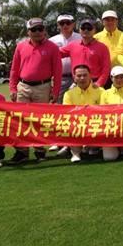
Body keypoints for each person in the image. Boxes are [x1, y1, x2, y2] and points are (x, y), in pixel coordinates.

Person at [9, 18, 62, 163]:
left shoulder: (52, 47)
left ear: (44, 30)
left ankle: (40, 151)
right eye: (34, 30)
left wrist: (55, 92)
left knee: (39, 120)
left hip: (43, 86)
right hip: (23, 86)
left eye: (40, 29)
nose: (37, 32)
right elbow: (14, 69)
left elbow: (57, 71)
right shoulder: (20, 46)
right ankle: (22, 152)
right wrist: (12, 88)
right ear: (28, 32)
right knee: (21, 120)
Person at [48, 13, 81, 155]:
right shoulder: (52, 41)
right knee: (58, 109)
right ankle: (58, 140)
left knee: (75, 109)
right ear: (58, 26)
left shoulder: (80, 38)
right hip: (59, 78)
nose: (65, 26)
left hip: (77, 78)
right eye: (62, 23)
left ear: (73, 24)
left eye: (68, 22)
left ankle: (75, 139)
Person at [62, 64, 106, 163]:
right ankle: (75, 153)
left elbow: (105, 111)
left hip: (96, 123)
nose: (82, 78)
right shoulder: (68, 94)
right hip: (77, 124)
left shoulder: (100, 91)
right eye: (79, 76)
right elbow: (67, 114)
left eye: (85, 75)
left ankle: (93, 147)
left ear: (90, 76)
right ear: (74, 77)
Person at [60, 18, 111, 88]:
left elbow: (106, 68)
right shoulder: (73, 45)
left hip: (94, 83)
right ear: (79, 30)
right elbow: (56, 53)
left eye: (89, 28)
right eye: (83, 28)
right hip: (77, 83)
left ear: (94, 30)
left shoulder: (102, 47)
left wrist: (99, 83)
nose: (86, 30)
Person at [94, 10, 122, 88]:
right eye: (107, 20)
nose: (110, 22)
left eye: (112, 19)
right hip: (102, 74)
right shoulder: (96, 38)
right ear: (102, 22)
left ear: (117, 21)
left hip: (120, 73)